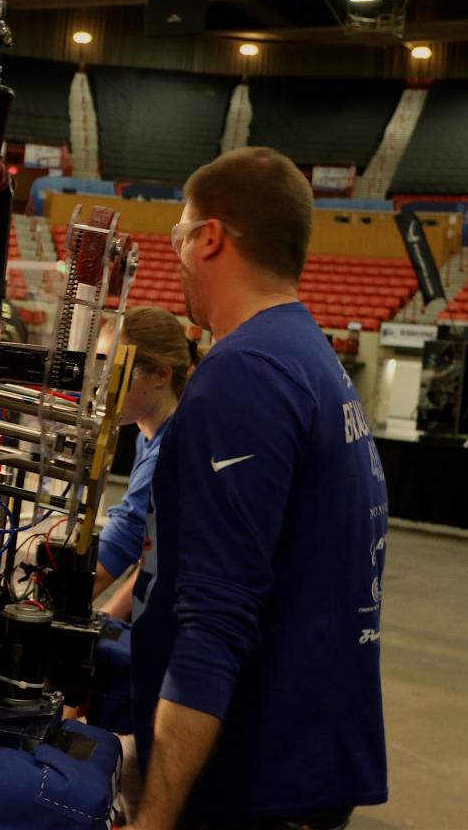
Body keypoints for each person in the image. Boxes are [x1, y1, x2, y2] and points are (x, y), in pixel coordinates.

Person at [126, 148, 388, 830]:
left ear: (209, 237)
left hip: (256, 779)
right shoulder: (307, 357)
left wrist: (152, 816)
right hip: (299, 762)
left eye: (179, 236)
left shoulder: (244, 374)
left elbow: (215, 615)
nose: (175, 254)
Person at [93, 306, 194, 622]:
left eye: (117, 374)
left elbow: (120, 546)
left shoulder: (168, 449)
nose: (102, 387)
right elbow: (154, 553)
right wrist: (110, 616)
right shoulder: (150, 435)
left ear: (161, 375)